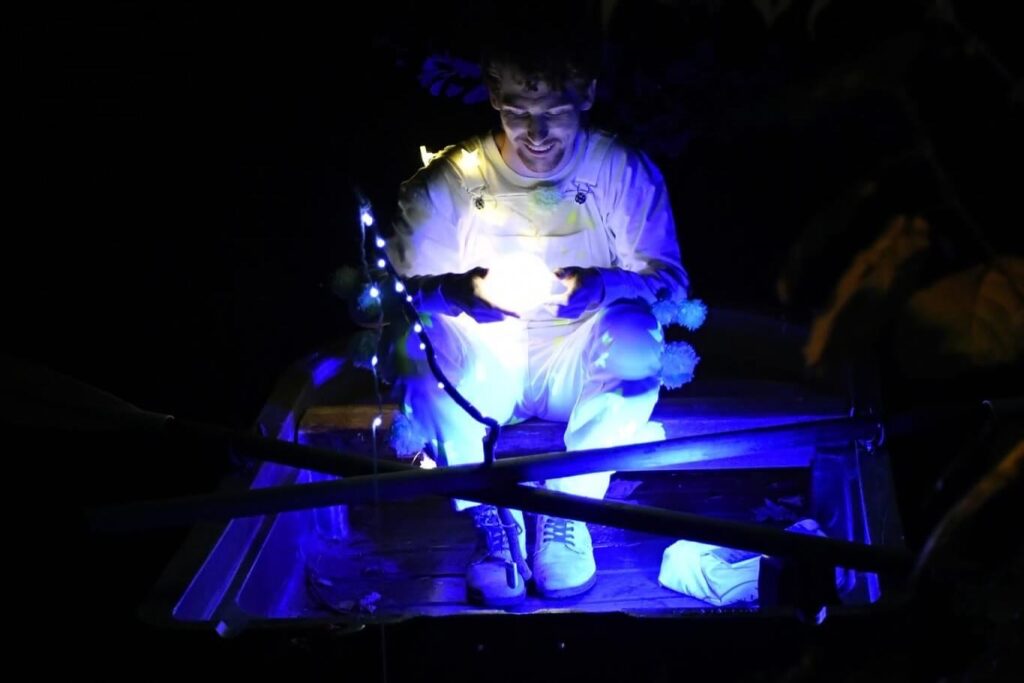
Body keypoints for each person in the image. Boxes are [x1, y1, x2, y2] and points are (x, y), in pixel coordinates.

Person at [384, 19, 689, 607]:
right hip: (489, 366)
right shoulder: (452, 181)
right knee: (421, 344)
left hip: (578, 364)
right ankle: (491, 524)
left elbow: (671, 284)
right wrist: (458, 293)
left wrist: (602, 287)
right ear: (495, 96)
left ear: (588, 96)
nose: (539, 132)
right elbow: (396, 291)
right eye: (521, 110)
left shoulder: (621, 172)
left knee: (639, 340)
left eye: (556, 110)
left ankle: (567, 508)